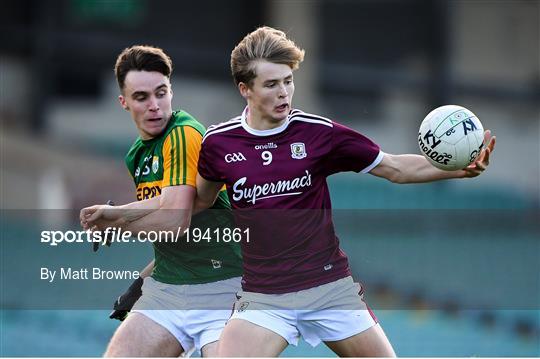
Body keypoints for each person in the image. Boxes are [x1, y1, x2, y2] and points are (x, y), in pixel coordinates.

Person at [194, 27, 496, 357]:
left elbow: (394, 168)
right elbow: (201, 200)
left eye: (288, 80)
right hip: (264, 296)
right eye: (271, 84)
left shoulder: (319, 133)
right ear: (244, 89)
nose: (284, 92)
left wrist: (456, 169)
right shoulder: (218, 143)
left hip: (330, 289)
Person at [80, 45, 243, 357]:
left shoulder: (183, 134)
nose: (155, 105)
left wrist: (115, 220)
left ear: (171, 92)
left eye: (161, 93)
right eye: (142, 97)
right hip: (169, 291)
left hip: (226, 291)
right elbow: (184, 235)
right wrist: (140, 284)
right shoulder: (136, 156)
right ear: (124, 102)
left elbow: (175, 221)